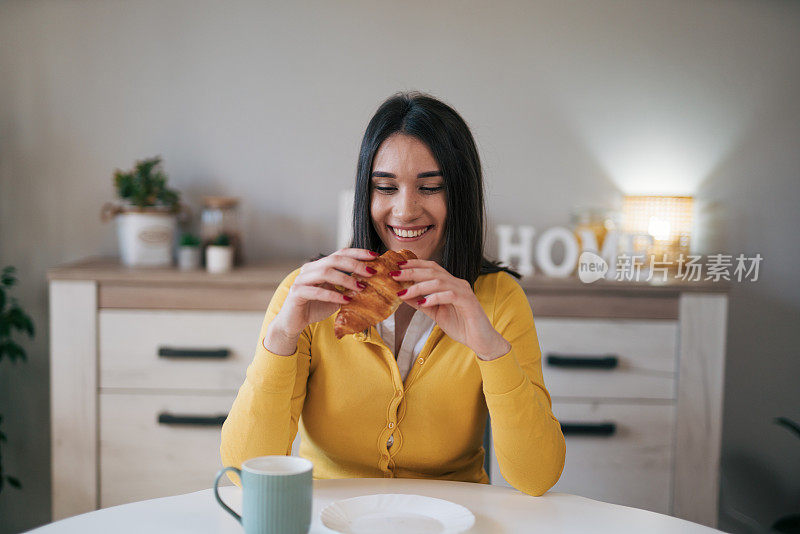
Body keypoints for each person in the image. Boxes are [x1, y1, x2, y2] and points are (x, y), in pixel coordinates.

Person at [220, 91, 565, 496]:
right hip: (332, 519)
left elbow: (537, 477)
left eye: (430, 187)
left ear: (461, 194)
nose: (404, 211)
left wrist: (488, 347)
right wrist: (282, 338)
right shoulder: (309, 292)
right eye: (385, 187)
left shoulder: (498, 299)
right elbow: (242, 471)